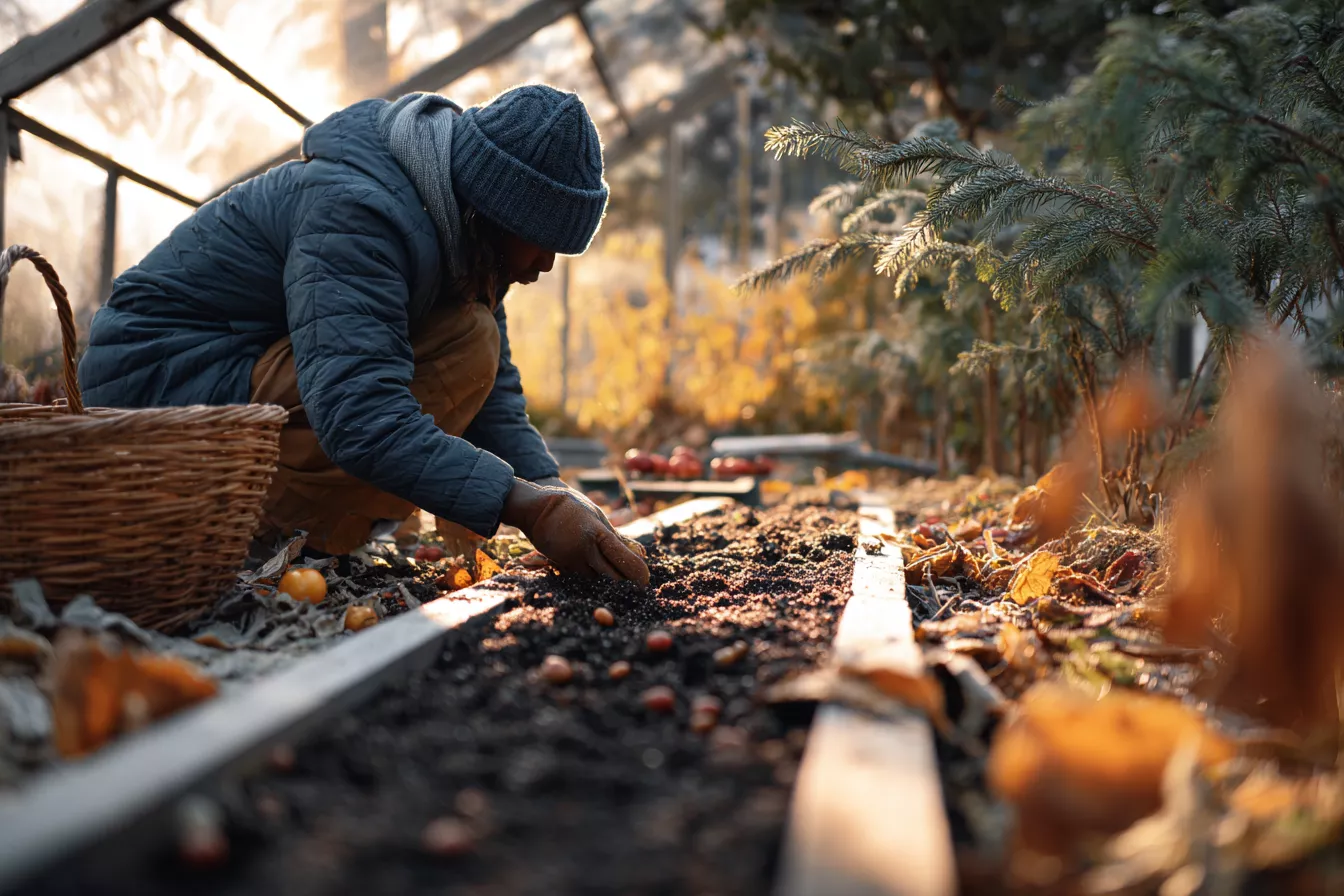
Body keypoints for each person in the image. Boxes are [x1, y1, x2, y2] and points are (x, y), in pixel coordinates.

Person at [77, 85, 649, 585]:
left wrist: (553, 490)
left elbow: (492, 387)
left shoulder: (464, 239)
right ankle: (264, 531)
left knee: (474, 339)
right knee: (466, 342)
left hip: (221, 377)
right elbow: (358, 412)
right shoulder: (358, 212)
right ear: (494, 210)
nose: (545, 264)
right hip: (154, 395)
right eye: (541, 239)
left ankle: (304, 528)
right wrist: (524, 507)